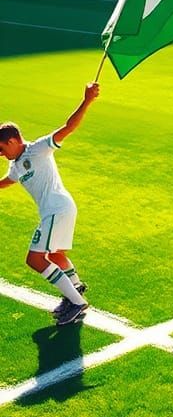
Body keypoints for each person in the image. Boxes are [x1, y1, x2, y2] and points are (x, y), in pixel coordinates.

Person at [0, 82, 99, 327]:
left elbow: (68, 127)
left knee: (35, 259)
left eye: (1, 149)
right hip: (57, 210)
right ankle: (74, 288)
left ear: (13, 140)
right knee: (55, 254)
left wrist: (86, 100)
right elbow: (5, 183)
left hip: (58, 209)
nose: (1, 154)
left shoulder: (39, 149)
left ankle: (76, 302)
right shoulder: (15, 165)